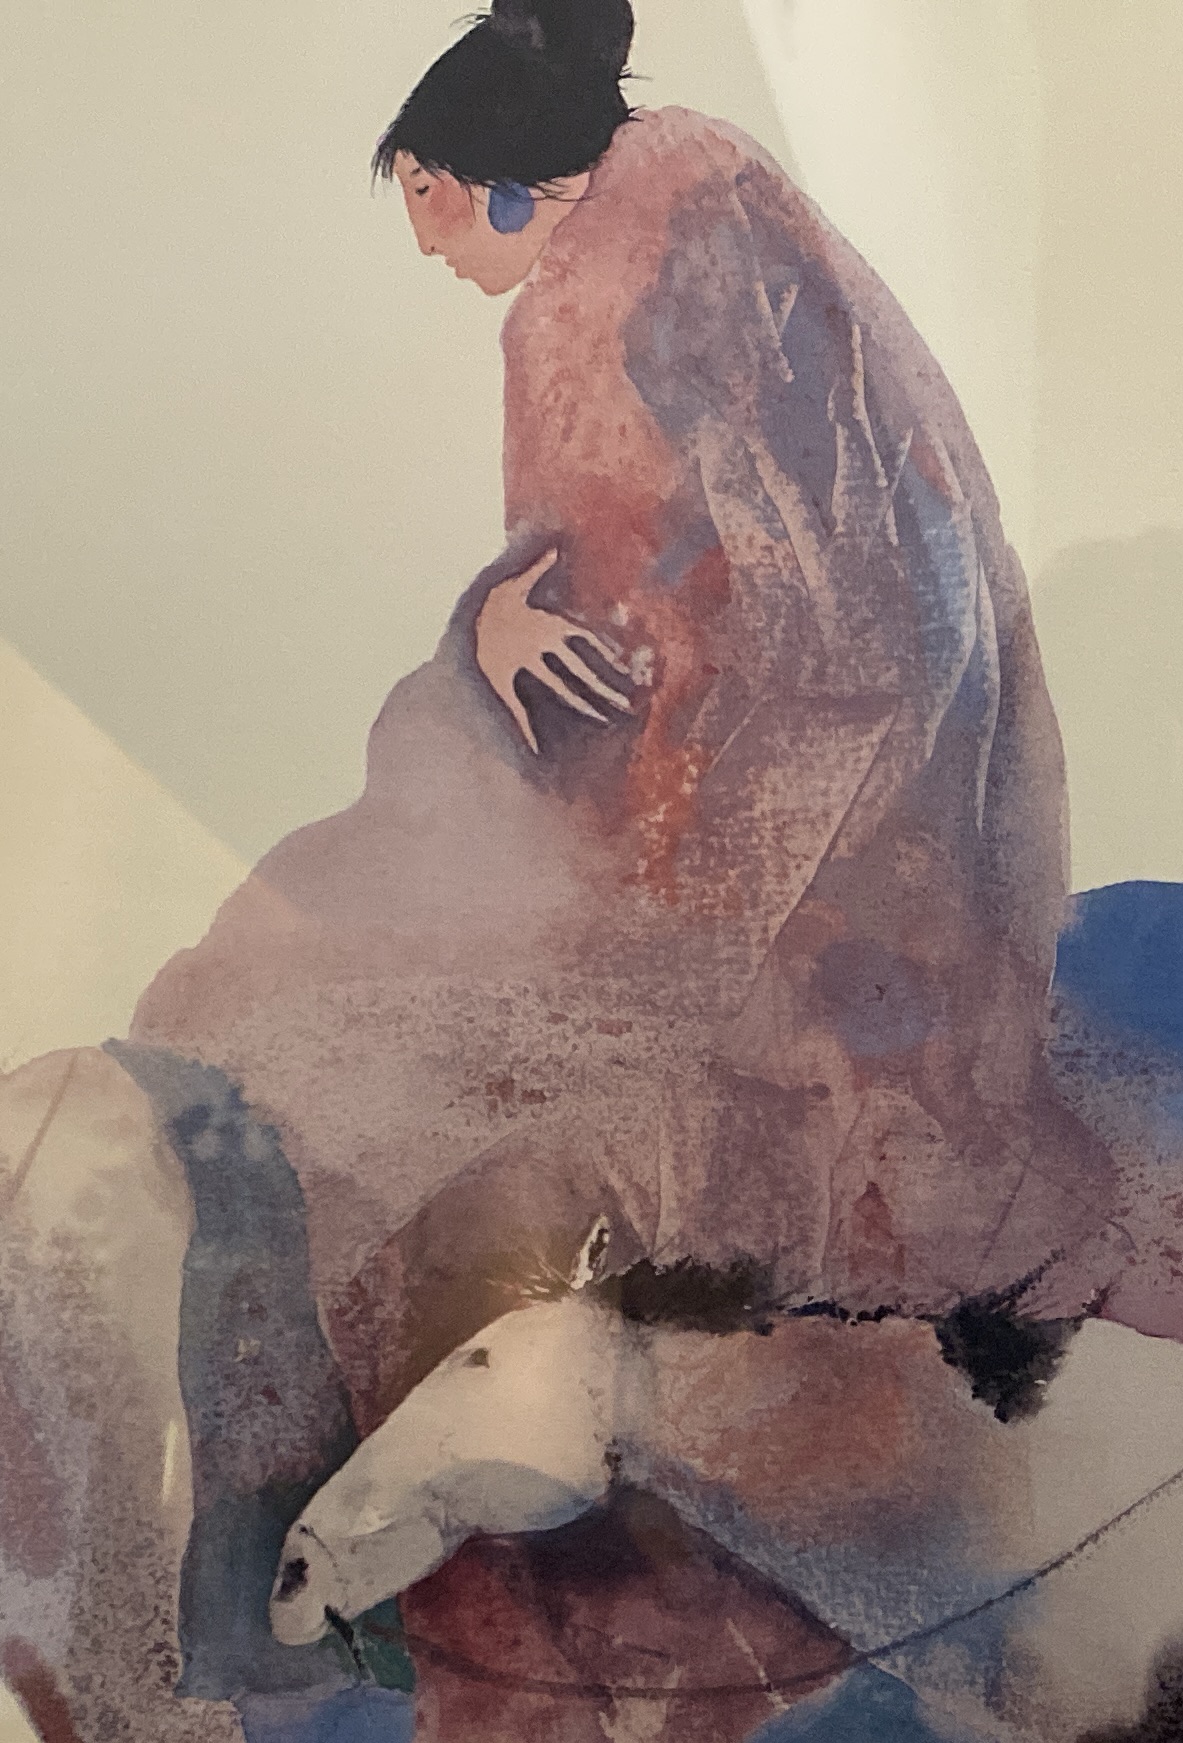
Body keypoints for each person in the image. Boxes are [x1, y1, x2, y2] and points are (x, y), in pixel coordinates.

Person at [131, 0, 1107, 1453]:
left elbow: (687, 621)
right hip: (791, 810)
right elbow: (661, 589)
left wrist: (503, 661)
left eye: (423, 193)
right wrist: (498, 631)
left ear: (482, 179)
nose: (426, 242)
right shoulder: (711, 230)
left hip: (772, 849)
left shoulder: (610, 297)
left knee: (285, 1024)